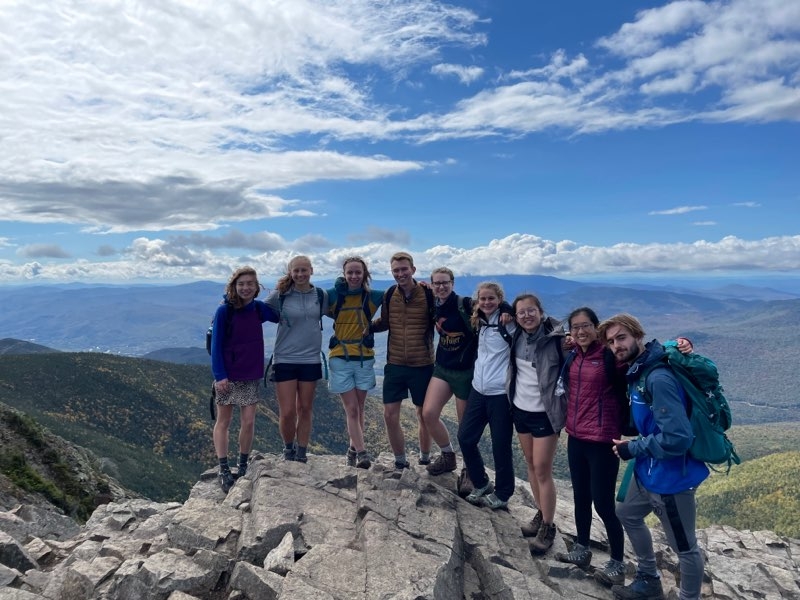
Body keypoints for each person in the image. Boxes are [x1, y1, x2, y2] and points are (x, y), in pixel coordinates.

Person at [599, 313, 708, 600]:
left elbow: (678, 438)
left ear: (638, 335)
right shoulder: (638, 371)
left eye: (621, 337)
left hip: (672, 477)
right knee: (626, 512)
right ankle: (648, 578)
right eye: (611, 342)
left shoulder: (657, 377)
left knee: (684, 547)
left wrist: (632, 448)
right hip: (647, 469)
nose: (616, 346)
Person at [551, 307, 629, 581]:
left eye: (586, 326)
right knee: (581, 497)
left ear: (597, 327)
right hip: (576, 436)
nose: (581, 331)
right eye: (575, 327)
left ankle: (618, 563)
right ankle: (582, 549)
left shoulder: (610, 356)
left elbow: (638, 355)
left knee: (604, 504)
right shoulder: (574, 355)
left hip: (603, 440)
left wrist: (679, 347)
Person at [506, 293, 566, 554]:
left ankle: (549, 526)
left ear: (541, 312)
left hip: (545, 413)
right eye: (521, 313)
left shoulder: (558, 340)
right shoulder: (515, 335)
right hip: (520, 409)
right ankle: (541, 514)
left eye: (531, 311)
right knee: (531, 465)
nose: (527, 316)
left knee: (542, 469)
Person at [210, 266, 279, 493]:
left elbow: (278, 315)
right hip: (228, 376)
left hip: (250, 373)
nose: (245, 288)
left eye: (250, 284)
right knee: (224, 421)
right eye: (241, 284)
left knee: (248, 422)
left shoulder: (258, 309)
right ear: (234, 286)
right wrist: (220, 375)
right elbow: (216, 345)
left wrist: (283, 287)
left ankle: (242, 464)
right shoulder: (224, 311)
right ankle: (223, 467)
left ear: (256, 287)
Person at [370, 252, 435, 469]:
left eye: (404, 269)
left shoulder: (428, 294)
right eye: (396, 270)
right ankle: (400, 461)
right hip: (395, 363)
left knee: (423, 414)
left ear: (413, 270)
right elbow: (386, 322)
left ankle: (425, 457)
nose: (400, 273)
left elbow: (445, 314)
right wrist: (364, 328)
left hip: (422, 364)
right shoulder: (390, 294)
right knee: (389, 414)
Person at [457, 282, 516, 510]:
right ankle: (481, 482)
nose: (487, 302)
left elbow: (533, 320)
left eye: (492, 298)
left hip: (500, 394)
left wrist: (509, 309)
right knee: (465, 438)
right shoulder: (479, 320)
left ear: (499, 299)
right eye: (483, 299)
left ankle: (503, 493)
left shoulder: (508, 322)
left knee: (500, 445)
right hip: (478, 390)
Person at [266, 255, 328, 463]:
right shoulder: (281, 295)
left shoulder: (320, 294)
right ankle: (288, 448)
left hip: (310, 359)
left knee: (305, 408)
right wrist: (228, 303)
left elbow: (340, 308)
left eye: (304, 270)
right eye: (296, 271)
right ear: (290, 273)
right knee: (288, 411)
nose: (300, 274)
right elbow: (256, 311)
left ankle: (302, 451)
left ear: (311, 270)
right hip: (284, 358)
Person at [326, 256, 384, 469]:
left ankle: (352, 449)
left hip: (364, 357)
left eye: (358, 272)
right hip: (340, 356)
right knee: (351, 409)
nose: (353, 276)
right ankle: (362, 453)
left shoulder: (373, 296)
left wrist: (421, 285)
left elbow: (398, 294)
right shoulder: (333, 295)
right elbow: (310, 296)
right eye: (349, 272)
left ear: (365, 274)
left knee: (359, 409)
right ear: (344, 274)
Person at [422, 267, 477, 480]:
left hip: (465, 372)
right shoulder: (435, 304)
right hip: (443, 368)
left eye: (445, 282)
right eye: (437, 283)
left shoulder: (465, 304)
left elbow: (494, 306)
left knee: (465, 428)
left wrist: (508, 310)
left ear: (452, 283)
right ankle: (447, 455)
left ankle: (470, 469)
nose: (441, 287)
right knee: (428, 414)